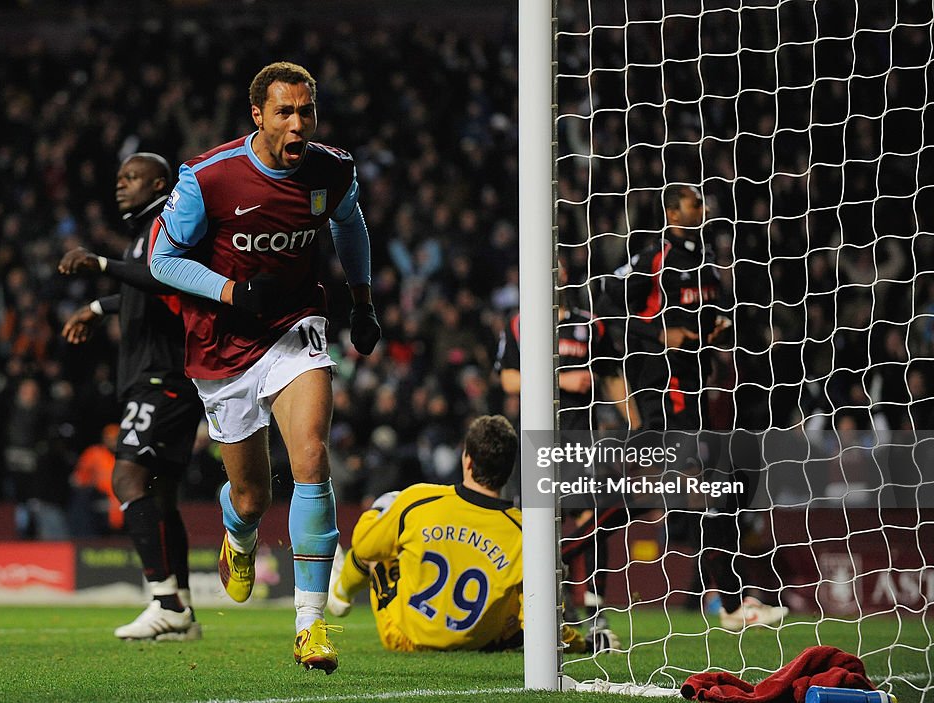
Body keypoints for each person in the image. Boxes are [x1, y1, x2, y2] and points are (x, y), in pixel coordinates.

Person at [149, 61, 382, 673]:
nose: (298, 122)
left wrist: (361, 302)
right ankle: (238, 534)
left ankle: (309, 626)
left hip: (294, 328)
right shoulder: (210, 176)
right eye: (285, 112)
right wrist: (230, 292)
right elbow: (162, 259)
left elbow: (349, 224)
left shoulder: (332, 168)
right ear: (259, 116)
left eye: (306, 111)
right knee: (252, 496)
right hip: (222, 343)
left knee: (311, 455)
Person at [599, 183, 787, 630]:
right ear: (671, 211)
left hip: (696, 388)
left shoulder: (707, 264)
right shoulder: (651, 259)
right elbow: (607, 301)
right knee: (702, 490)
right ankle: (729, 602)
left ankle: (729, 603)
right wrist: (657, 336)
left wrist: (719, 327)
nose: (701, 209)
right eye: (693, 202)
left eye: (703, 202)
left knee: (711, 495)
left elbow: (715, 313)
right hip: (664, 389)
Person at [59, 152, 205, 641]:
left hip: (160, 377)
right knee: (161, 496)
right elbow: (148, 292)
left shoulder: (167, 226)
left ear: (159, 182)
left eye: (132, 177)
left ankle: (164, 600)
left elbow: (165, 279)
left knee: (126, 477)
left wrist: (102, 263)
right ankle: (181, 611)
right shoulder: (146, 232)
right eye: (119, 176)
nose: (121, 184)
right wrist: (101, 306)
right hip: (164, 378)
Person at [326, 414, 618, 654]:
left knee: (387, 510)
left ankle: (340, 593)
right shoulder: (526, 532)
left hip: (405, 636)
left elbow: (364, 548)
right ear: (509, 468)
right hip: (478, 640)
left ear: (467, 460)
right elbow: (544, 622)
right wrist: (587, 643)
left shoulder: (419, 499)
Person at [495, 261, 636, 632]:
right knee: (543, 525)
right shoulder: (519, 323)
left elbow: (610, 376)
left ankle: (594, 610)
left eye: (555, 267)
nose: (550, 274)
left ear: (565, 275)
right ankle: (553, 605)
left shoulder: (590, 324)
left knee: (592, 520)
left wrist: (637, 425)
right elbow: (509, 380)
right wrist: (562, 379)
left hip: (581, 440)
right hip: (537, 440)